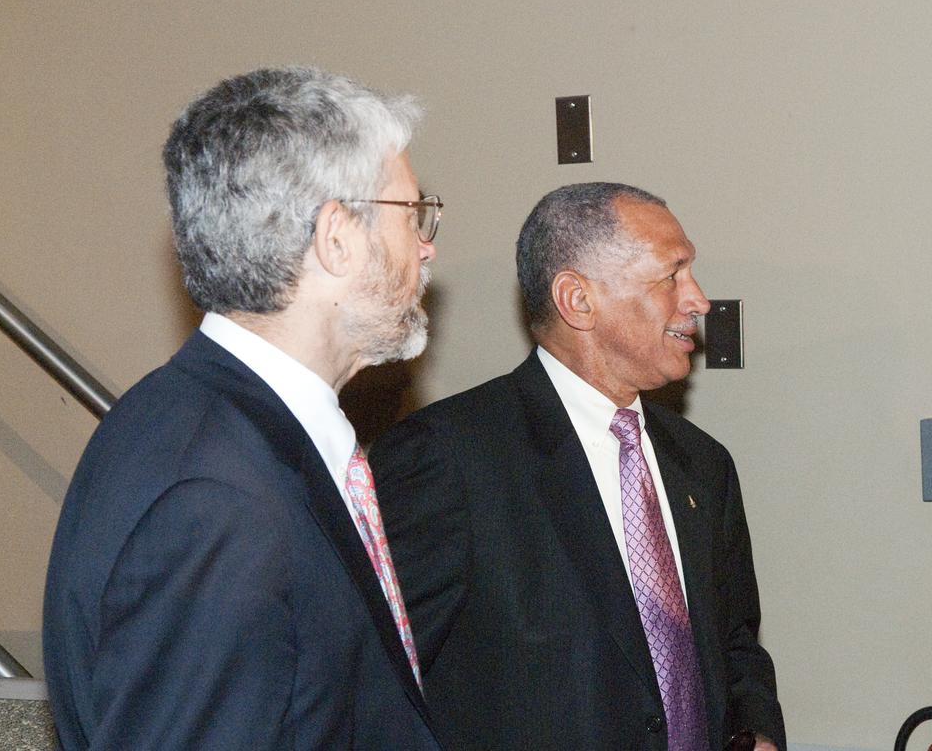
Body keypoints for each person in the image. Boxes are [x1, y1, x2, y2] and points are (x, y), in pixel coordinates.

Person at [42, 67, 444, 750]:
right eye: (413, 214)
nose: (428, 244)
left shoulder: (192, 421)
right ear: (337, 237)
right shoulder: (214, 498)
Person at [372, 182, 785, 751]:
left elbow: (734, 640)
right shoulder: (446, 459)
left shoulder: (704, 464)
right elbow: (376, 680)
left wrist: (755, 731)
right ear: (578, 300)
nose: (699, 300)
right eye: (672, 275)